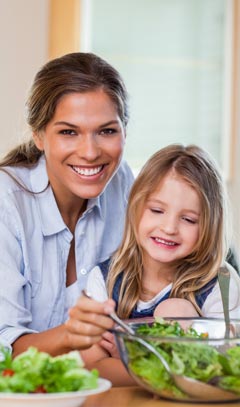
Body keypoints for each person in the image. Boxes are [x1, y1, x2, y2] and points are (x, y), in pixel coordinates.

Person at [0, 52, 134, 356]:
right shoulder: (6, 203)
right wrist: (70, 336)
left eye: (107, 131)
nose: (90, 152)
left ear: (125, 132)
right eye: (69, 132)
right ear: (39, 135)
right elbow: (3, 348)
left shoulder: (125, 186)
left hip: (102, 393)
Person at [80, 144, 240, 385]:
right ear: (135, 207)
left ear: (209, 226)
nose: (169, 228)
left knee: (174, 311)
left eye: (188, 219)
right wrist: (167, 370)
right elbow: (94, 366)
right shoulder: (104, 279)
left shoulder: (219, 283)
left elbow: (225, 367)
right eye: (157, 210)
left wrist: (134, 355)